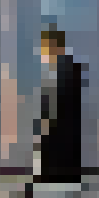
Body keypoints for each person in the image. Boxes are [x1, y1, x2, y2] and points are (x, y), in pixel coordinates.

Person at [34, 25, 85, 185]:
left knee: (60, 178)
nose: (43, 53)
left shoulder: (68, 70)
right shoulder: (58, 70)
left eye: (45, 47)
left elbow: (62, 107)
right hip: (58, 140)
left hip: (62, 140)